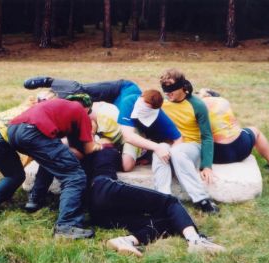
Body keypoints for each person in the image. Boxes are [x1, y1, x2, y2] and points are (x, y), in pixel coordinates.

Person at [25, 89, 183, 213]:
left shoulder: (105, 115)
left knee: (126, 165)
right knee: (55, 152)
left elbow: (125, 136)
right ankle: (36, 196)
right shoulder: (71, 115)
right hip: (99, 138)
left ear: (87, 109)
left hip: (124, 136)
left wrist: (101, 146)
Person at [86, 147, 226, 257]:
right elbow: (127, 164)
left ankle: (127, 241)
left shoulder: (83, 154)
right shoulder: (108, 150)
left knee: (169, 223)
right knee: (170, 202)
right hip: (105, 187)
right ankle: (196, 241)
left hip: (95, 211)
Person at [23, 77, 175, 171]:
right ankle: (49, 82)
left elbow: (130, 139)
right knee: (81, 92)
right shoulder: (131, 103)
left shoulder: (145, 120)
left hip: (113, 118)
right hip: (122, 89)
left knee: (81, 104)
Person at [7, 94, 102, 239]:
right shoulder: (81, 112)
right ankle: (67, 225)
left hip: (13, 131)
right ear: (88, 108)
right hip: (34, 132)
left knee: (52, 161)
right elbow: (88, 149)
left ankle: (35, 200)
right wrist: (100, 146)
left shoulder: (59, 107)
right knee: (74, 176)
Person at [155, 68, 219, 214]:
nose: (167, 93)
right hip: (170, 144)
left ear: (182, 87)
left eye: (171, 90)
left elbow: (207, 136)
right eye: (165, 90)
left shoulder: (197, 105)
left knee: (177, 152)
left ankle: (202, 199)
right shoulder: (162, 104)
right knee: (159, 152)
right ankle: (163, 199)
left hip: (191, 146)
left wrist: (207, 165)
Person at [197, 88, 269, 173]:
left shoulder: (197, 106)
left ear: (207, 94)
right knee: (255, 131)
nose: (196, 94)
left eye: (198, 92)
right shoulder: (223, 101)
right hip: (242, 149)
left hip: (216, 156)